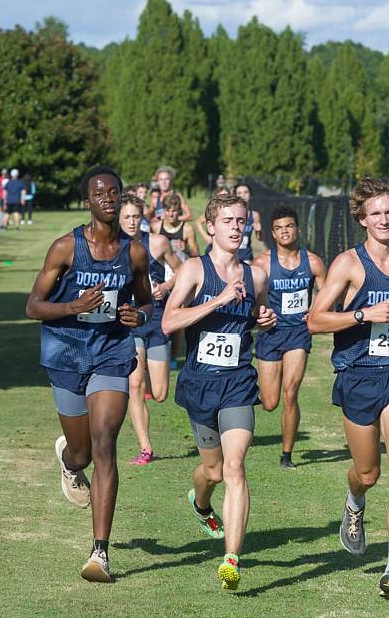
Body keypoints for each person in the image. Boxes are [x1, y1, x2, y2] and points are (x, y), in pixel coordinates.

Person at [305, 178, 389, 600]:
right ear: (362, 218)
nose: (384, 219)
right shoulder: (349, 264)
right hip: (359, 376)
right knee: (369, 472)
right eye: (375, 213)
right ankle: (354, 502)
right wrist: (362, 314)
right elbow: (314, 320)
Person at [25, 166, 154, 583]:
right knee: (81, 453)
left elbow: (147, 302)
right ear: (87, 201)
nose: (108, 198)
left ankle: (100, 553)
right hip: (64, 352)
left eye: (114, 192)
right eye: (99, 193)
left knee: (104, 443)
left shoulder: (134, 252)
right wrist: (73, 307)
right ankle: (67, 459)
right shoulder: (65, 247)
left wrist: (139, 315)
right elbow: (33, 307)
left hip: (111, 352)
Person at [162, 190, 276, 591]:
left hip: (238, 384)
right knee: (212, 471)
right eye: (228, 221)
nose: (236, 228)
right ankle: (200, 502)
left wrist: (265, 318)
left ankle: (231, 558)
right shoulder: (195, 270)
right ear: (210, 227)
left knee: (235, 466)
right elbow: (168, 322)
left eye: (241, 222)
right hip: (199, 384)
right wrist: (219, 300)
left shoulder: (257, 274)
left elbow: (259, 317)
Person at [252, 206, 327, 470]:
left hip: (298, 334)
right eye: (280, 227)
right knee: (270, 402)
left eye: (289, 226)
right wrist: (260, 315)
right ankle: (243, 392)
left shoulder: (313, 262)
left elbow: (327, 292)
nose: (285, 231)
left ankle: (287, 455)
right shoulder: (262, 264)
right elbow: (252, 300)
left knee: (290, 392)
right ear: (273, 233)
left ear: (297, 229)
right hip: (271, 335)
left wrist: (315, 307)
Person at [118, 195, 182, 465]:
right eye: (127, 217)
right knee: (134, 385)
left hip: (155, 321)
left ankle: (144, 372)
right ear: (118, 219)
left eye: (136, 216)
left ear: (142, 216)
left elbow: (183, 270)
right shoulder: (112, 247)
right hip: (128, 323)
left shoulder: (157, 243)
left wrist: (165, 288)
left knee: (160, 393)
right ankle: (146, 448)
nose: (132, 222)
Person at [197, 181, 261, 263]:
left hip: (244, 255)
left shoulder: (254, 214)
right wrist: (208, 238)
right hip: (220, 255)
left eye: (241, 221)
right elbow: (199, 222)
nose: (236, 225)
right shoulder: (214, 213)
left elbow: (260, 238)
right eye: (227, 221)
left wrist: (259, 231)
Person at [155, 193, 198, 261]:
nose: (171, 214)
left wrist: (186, 249)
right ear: (163, 210)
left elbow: (197, 255)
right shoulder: (156, 227)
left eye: (174, 211)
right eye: (167, 211)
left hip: (181, 268)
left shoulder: (187, 229)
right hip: (161, 269)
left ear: (179, 210)